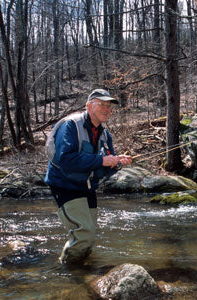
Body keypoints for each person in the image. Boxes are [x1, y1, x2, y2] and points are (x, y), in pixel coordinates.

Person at [44, 88, 132, 264]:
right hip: (65, 185)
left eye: (109, 106)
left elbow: (102, 169)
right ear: (89, 106)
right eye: (102, 104)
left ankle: (82, 270)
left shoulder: (105, 135)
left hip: (88, 186)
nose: (107, 109)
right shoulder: (71, 125)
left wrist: (116, 163)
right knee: (83, 234)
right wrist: (103, 160)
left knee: (89, 237)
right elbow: (65, 159)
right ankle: (68, 272)